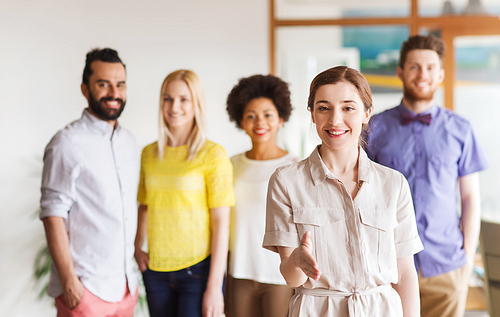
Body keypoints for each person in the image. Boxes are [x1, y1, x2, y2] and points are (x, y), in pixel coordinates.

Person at [263, 66, 423, 317]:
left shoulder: (394, 183)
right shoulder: (286, 181)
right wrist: (296, 260)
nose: (335, 120)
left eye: (348, 108)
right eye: (324, 108)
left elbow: (404, 273)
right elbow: (291, 277)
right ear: (313, 114)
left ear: (366, 113)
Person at [365, 35, 489, 317]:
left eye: (430, 68)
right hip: (387, 265)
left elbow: (470, 198)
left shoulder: (461, 129)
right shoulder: (374, 128)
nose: (423, 75)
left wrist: (467, 261)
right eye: (414, 67)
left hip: (446, 266)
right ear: (400, 72)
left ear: (441, 75)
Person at [40, 48, 139, 316]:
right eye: (103, 84)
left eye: (120, 84)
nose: (114, 93)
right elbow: (52, 215)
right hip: (86, 289)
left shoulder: (129, 142)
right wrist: (70, 283)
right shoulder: (67, 143)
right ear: (85, 89)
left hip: (125, 288)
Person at [133, 69, 234, 317]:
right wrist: (136, 246)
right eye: (168, 98)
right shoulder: (149, 154)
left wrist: (214, 288)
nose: (174, 106)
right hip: (155, 271)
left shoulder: (213, 154)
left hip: (198, 271)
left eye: (183, 99)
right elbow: (144, 205)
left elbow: (221, 222)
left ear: (196, 104)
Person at [224, 74, 299, 317]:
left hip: (279, 274)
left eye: (267, 114)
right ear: (241, 121)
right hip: (239, 272)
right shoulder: (230, 165)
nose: (260, 122)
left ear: (280, 118)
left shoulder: (295, 166)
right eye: (251, 116)